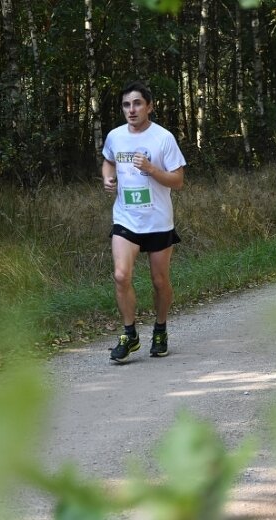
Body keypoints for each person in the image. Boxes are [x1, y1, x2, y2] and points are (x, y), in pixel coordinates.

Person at [101, 81, 186, 363]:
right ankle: (129, 334)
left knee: (159, 281)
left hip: (158, 221)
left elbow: (178, 181)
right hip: (125, 218)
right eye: (126, 104)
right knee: (121, 275)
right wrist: (107, 177)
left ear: (149, 106)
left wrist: (151, 169)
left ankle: (160, 329)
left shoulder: (163, 138)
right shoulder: (115, 136)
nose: (132, 109)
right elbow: (108, 160)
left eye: (137, 103)